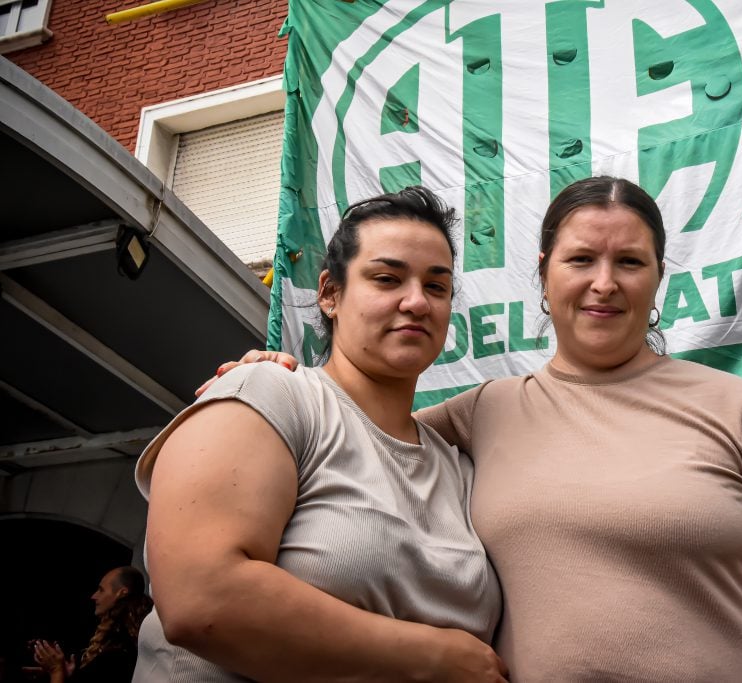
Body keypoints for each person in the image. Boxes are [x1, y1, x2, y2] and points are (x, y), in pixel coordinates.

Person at [212, 176, 742, 681]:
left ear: (659, 278)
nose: (604, 283)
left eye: (631, 262)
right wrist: (272, 374)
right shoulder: (482, 412)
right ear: (544, 274)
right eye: (581, 259)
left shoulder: (739, 407)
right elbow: (353, 420)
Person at [133, 187, 506, 682]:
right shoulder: (269, 393)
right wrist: (435, 657)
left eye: (436, 287)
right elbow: (201, 599)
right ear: (329, 293)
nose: (416, 301)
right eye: (387, 278)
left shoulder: (457, 465)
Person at [32, 567, 152, 683]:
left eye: (101, 590)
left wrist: (56, 672)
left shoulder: (119, 651)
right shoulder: (115, 640)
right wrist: (71, 675)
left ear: (121, 593)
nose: (93, 596)